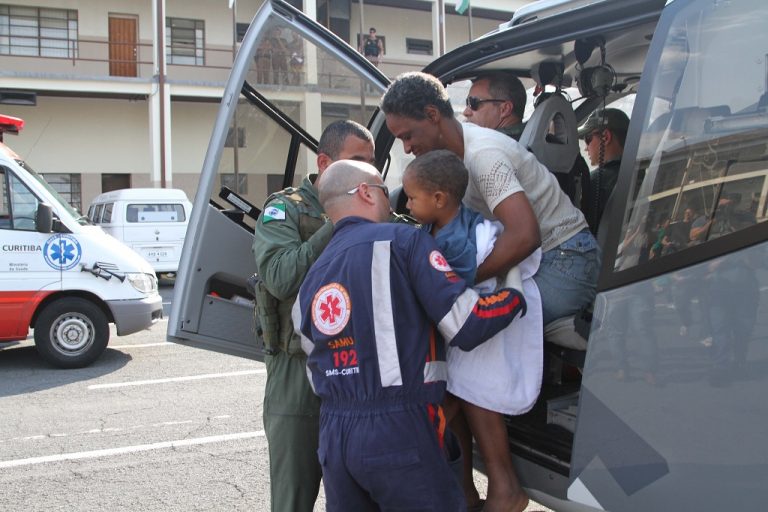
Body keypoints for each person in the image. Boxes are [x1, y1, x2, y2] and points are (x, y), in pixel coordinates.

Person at [381, 71, 599, 512]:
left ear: (431, 114)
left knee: (472, 341)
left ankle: (504, 487)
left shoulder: (483, 157)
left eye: (408, 135)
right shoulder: (452, 157)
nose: (406, 149)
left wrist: (455, 286)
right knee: (455, 336)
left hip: (567, 261)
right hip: (526, 259)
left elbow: (523, 236)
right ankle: (463, 492)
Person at [293, 159, 528, 512]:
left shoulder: (313, 276)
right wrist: (513, 294)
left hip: (335, 436)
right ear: (366, 193)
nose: (395, 205)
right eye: (387, 193)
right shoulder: (404, 242)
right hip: (400, 430)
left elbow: (314, 364)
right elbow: (467, 324)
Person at [402, 150, 544, 512]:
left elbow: (449, 290)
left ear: (438, 199)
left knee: (471, 395)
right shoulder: (441, 225)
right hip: (466, 327)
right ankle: (463, 492)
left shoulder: (458, 247)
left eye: (412, 197)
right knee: (455, 397)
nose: (405, 203)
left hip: (480, 323)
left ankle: (504, 490)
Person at [252, 119, 375, 512]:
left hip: (354, 368)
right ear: (324, 162)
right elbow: (280, 277)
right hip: (297, 371)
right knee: (293, 497)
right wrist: (339, 223)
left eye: (373, 163)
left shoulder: (372, 208)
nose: (369, 172)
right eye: (358, 161)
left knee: (362, 493)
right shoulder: (285, 209)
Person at [578, 108, 630, 232]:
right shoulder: (637, 173)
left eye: (588, 139)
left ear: (605, 137)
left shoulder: (594, 183)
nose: (586, 148)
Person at [462, 71, 528, 141]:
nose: (466, 112)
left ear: (505, 109)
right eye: (467, 102)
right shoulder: (526, 137)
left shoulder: (490, 146)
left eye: (473, 102)